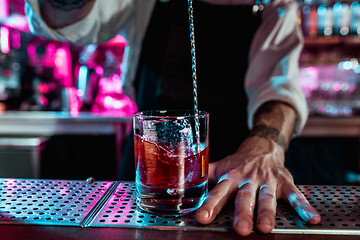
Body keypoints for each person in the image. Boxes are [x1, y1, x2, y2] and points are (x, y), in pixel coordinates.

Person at [24, 0, 321, 236]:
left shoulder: (274, 5)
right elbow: (66, 22)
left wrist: (266, 146)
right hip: (147, 175)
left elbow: (281, 91)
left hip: (236, 179)